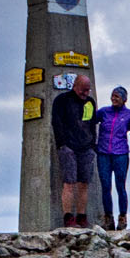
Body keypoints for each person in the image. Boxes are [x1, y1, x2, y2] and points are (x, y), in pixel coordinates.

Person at [49, 73, 98, 228]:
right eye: (83, 90)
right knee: (69, 183)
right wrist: (62, 144)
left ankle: (82, 217)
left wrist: (92, 145)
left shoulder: (90, 102)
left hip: (86, 148)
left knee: (84, 183)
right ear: (75, 86)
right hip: (68, 147)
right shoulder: (62, 100)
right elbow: (56, 123)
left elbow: (91, 123)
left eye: (88, 90)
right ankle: (68, 218)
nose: (85, 93)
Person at [93, 86, 130, 230]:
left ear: (124, 99)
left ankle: (123, 217)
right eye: (113, 96)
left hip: (120, 154)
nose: (114, 99)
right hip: (103, 153)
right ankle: (108, 218)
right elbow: (89, 122)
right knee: (105, 186)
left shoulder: (129, 115)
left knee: (120, 186)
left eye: (117, 97)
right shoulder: (103, 112)